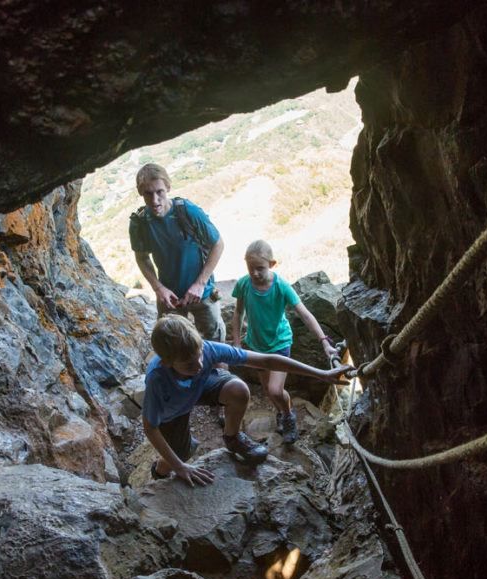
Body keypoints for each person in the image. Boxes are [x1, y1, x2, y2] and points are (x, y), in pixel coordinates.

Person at [144, 315, 352, 487]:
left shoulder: (207, 349)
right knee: (181, 452)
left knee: (238, 390)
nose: (199, 365)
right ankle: (159, 472)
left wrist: (322, 374)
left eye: (199, 356)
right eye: (189, 364)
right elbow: (150, 428)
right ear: (167, 362)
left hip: (199, 388)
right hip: (173, 410)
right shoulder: (157, 379)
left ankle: (232, 438)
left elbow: (266, 360)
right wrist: (180, 466)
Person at [231, 240, 339, 444]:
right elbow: (238, 312)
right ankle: (281, 411)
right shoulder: (244, 284)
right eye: (250, 268)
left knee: (275, 390)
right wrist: (237, 343)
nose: (255, 273)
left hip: (279, 344)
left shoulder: (281, 287)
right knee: (267, 389)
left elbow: (305, 315)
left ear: (272, 264)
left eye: (260, 268)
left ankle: (288, 415)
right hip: (256, 345)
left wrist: (324, 341)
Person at [129, 163, 226, 342]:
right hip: (170, 297)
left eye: (160, 192)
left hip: (202, 294)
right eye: (148, 194)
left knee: (217, 348)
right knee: (173, 347)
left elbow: (218, 244)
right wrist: (158, 288)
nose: (155, 200)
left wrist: (200, 283)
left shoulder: (187, 211)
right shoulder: (140, 223)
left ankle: (221, 372)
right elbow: (142, 258)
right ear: (140, 193)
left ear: (168, 187)